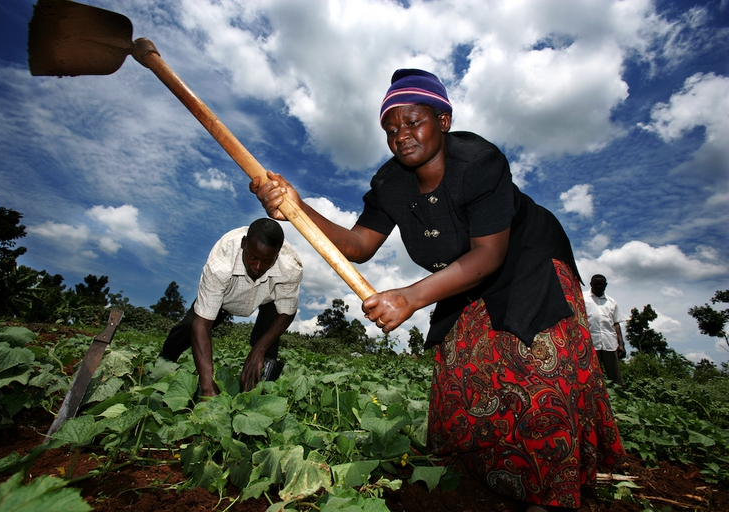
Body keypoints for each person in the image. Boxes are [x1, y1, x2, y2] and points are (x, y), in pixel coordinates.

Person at [251, 69, 626, 511]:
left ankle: (548, 491)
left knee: (536, 363)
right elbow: (358, 245)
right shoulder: (390, 183)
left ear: (443, 121)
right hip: (463, 271)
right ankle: (478, 476)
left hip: (527, 259)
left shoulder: (479, 162)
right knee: (461, 374)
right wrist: (297, 208)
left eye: (413, 122)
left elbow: (489, 254)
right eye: (391, 129)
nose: (401, 136)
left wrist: (410, 297)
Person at [159, 218, 303, 394]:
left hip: (267, 299)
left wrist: (258, 350)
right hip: (226, 296)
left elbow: (287, 311)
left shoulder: (291, 268)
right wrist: (207, 385)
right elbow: (202, 323)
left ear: (277, 255)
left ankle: (255, 394)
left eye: (267, 261)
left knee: (267, 348)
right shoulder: (221, 262)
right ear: (244, 243)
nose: (257, 267)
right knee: (189, 327)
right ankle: (162, 365)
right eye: (252, 257)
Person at [584, 274, 626, 386]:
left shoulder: (611, 302)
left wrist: (621, 344)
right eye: (596, 284)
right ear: (591, 284)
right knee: (592, 376)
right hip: (590, 343)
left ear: (606, 285)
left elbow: (616, 324)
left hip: (610, 343)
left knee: (615, 376)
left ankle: (618, 394)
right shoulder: (582, 298)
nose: (599, 286)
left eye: (601, 284)